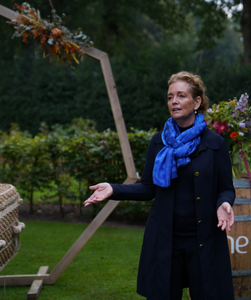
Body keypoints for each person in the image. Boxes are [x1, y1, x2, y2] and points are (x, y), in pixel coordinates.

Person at [84, 71, 235, 300]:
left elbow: (226, 187)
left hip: (204, 240)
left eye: (181, 96)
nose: (174, 101)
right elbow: (148, 188)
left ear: (196, 102)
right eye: (170, 96)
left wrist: (224, 203)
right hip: (166, 240)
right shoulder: (158, 142)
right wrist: (114, 189)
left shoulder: (215, 143)